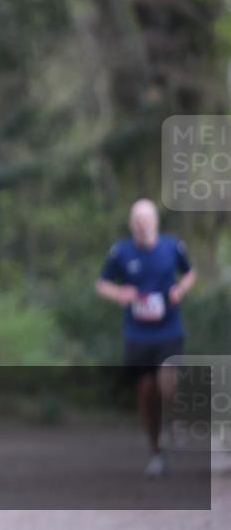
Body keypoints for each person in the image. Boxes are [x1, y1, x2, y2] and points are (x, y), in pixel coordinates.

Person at [96, 199, 196, 477]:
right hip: (137, 333)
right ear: (131, 224)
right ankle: (156, 453)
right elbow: (102, 284)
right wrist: (119, 294)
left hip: (168, 329)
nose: (141, 224)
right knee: (146, 392)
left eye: (146, 219)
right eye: (137, 220)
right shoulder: (121, 252)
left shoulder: (172, 247)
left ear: (155, 222)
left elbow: (190, 273)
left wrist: (180, 291)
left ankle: (175, 420)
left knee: (168, 379)